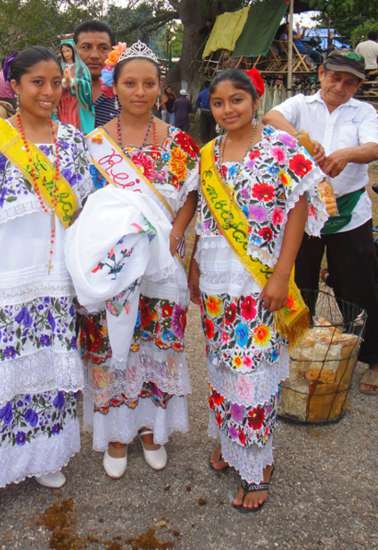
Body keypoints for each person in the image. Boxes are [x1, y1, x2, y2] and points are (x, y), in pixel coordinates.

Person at [0, 45, 93, 531]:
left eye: (57, 82)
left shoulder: (74, 142)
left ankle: (42, 456)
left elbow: (79, 212)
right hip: (2, 276)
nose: (50, 92)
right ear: (14, 85)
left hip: (54, 277)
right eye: (38, 82)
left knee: (49, 375)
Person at [189, 68, 327, 511]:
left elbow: (298, 207)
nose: (227, 110)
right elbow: (206, 216)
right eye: (218, 102)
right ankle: (232, 443)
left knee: (250, 373)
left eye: (237, 100)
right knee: (221, 365)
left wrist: (282, 272)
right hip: (215, 281)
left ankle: (256, 463)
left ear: (255, 101)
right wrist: (193, 264)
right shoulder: (209, 154)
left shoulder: (281, 147)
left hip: (259, 280)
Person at [74, 41, 199, 479]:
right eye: (131, 82)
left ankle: (151, 429)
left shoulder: (180, 142)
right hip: (113, 264)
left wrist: (178, 233)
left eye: (149, 83)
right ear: (114, 86)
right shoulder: (93, 144)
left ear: (160, 88)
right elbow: (82, 204)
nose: (140, 91)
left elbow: (191, 197)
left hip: (162, 262)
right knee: (112, 345)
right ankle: (114, 433)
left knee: (155, 344)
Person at [263, 49, 378, 395]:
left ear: (358, 85)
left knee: (361, 287)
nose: (341, 86)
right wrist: (302, 141)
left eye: (350, 81)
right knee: (299, 284)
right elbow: (269, 116)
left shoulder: (364, 111)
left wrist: (346, 154)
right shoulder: (301, 104)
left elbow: (374, 146)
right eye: (335, 76)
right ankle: (298, 355)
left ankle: (374, 358)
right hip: (304, 211)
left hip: (349, 212)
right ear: (321, 73)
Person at [74, 20, 119, 128]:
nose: (94, 55)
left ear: (113, 52)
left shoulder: (123, 96)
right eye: (86, 47)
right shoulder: (59, 93)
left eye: (103, 48)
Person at [57, 38, 94, 133]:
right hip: (63, 103)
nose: (66, 54)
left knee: (76, 125)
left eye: (68, 51)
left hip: (77, 101)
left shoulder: (81, 68)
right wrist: (63, 83)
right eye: (63, 51)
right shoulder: (59, 67)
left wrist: (73, 81)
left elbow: (87, 84)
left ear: (73, 50)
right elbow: (54, 83)